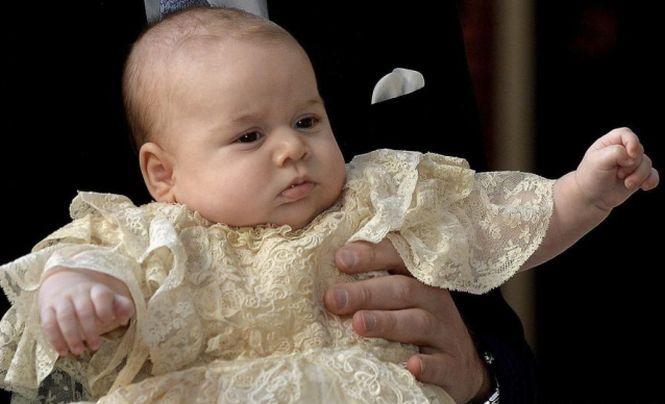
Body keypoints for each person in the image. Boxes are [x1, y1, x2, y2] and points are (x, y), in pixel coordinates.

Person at [0, 6, 659, 403]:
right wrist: (78, 288)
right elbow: (76, 259)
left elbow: (494, 226)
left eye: (308, 121)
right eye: (250, 136)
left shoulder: (372, 196)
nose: (291, 149)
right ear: (162, 173)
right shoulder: (153, 234)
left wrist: (582, 192)